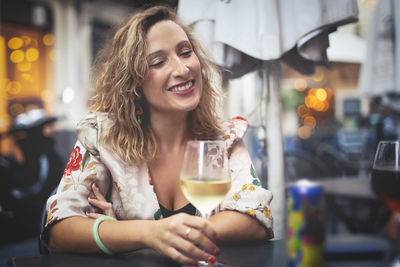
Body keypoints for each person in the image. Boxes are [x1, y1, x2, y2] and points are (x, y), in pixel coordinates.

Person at [41, 6, 273, 266]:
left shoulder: (225, 137)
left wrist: (127, 232)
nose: (183, 68)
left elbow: (256, 219)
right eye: (158, 62)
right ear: (133, 82)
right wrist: (150, 233)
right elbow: (59, 231)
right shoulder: (101, 137)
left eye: (186, 53)